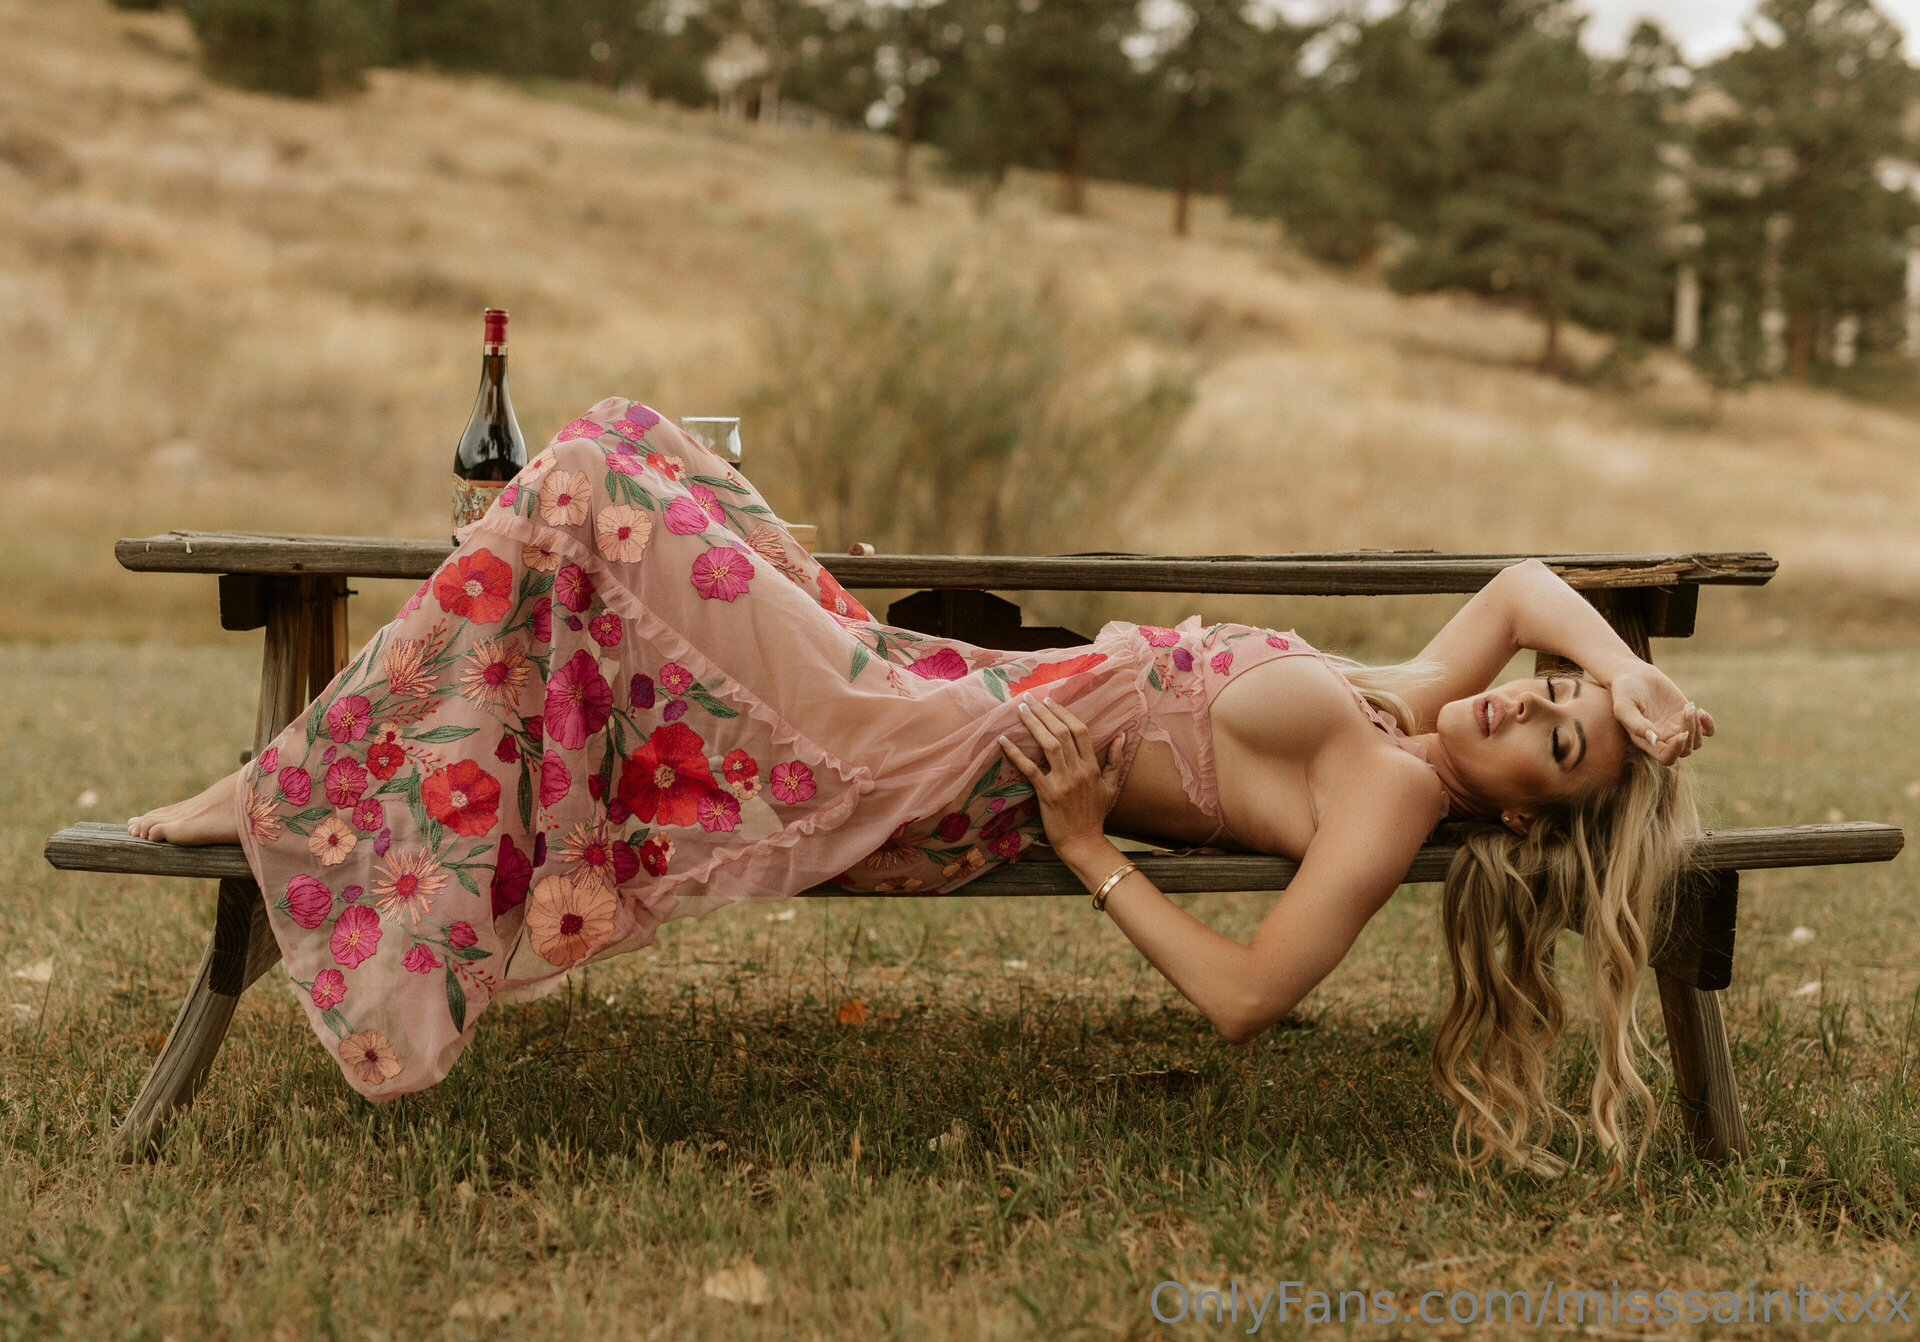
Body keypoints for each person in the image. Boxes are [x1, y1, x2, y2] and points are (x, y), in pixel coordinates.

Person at [128, 399, 1710, 1174]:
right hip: (939, 683)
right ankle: (312, 778)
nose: (1530, 696)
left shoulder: (1396, 795)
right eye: (1551, 686)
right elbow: (1523, 581)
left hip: (928, 755)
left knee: (589, 481)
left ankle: (292, 784)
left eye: (1555, 738)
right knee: (619, 433)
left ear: (1522, 811)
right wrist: (1623, 680)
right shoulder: (1417, 702)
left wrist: (1087, 843)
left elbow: (1246, 1000)